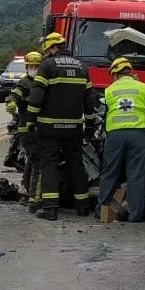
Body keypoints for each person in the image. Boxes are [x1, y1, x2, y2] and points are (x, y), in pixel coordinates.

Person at [28, 32, 97, 220]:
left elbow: (37, 97)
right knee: (75, 164)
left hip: (49, 127)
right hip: (74, 128)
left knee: (49, 164)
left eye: (47, 51)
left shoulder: (48, 66)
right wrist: (89, 126)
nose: (47, 55)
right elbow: (89, 101)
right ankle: (82, 205)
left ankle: (50, 208)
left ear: (53, 48)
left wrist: (29, 121)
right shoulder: (83, 67)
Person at [98, 57, 145, 222]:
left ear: (115, 74)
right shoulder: (143, 88)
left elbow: (104, 112)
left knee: (110, 172)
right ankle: (135, 215)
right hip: (137, 134)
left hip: (115, 135)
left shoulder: (109, 90)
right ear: (131, 72)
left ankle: (101, 210)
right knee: (136, 174)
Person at [5, 50, 44, 212]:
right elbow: (15, 94)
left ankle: (29, 190)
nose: (33, 68)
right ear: (27, 67)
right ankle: (35, 199)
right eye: (31, 66)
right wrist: (11, 102)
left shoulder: (43, 83)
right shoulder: (24, 83)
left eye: (36, 66)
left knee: (32, 162)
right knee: (37, 164)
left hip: (40, 129)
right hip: (27, 130)